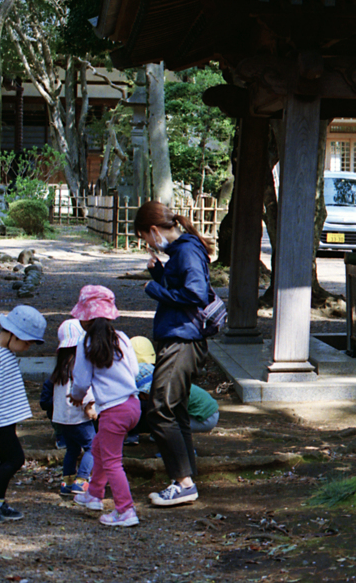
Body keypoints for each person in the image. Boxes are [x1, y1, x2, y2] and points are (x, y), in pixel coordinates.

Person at [134, 201, 214, 507]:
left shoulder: (186, 250)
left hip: (182, 341)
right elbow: (183, 287)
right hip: (180, 339)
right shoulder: (181, 251)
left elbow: (196, 294)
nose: (147, 244)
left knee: (159, 408)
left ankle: (183, 483)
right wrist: (160, 275)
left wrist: (154, 290)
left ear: (154, 230)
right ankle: (186, 477)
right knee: (175, 409)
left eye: (145, 237)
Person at [68, 286, 142, 528]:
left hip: (113, 410)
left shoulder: (86, 343)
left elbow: (80, 379)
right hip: (132, 404)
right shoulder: (121, 338)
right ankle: (94, 494)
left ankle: (125, 509)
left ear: (85, 319)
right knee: (99, 447)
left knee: (112, 461)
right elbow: (135, 371)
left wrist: (78, 396)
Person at [0, 304, 47, 524]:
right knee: (15, 459)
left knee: (7, 459)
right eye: (26, 342)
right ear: (13, 334)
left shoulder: (5, 352)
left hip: (5, 417)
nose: (27, 347)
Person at [51, 319, 96, 496]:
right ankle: (82, 480)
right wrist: (90, 406)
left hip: (62, 418)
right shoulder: (78, 366)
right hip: (78, 417)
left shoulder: (60, 369)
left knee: (72, 449)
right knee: (93, 446)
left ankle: (67, 482)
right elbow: (82, 387)